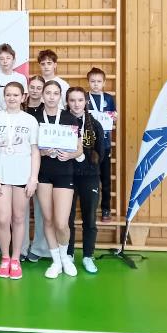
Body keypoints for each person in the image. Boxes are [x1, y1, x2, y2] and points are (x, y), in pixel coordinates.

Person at [0, 82, 39, 280]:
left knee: (19, 218)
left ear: (23, 97)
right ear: (3, 97)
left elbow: (35, 151)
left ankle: (16, 258)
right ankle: (5, 257)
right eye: (8, 95)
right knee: (3, 219)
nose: (12, 98)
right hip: (1, 177)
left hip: (23, 177)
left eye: (15, 95)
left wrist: (33, 178)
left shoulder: (30, 120)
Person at [35, 80, 82, 279]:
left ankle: (65, 258)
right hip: (43, 173)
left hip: (64, 172)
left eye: (55, 93)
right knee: (47, 219)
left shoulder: (70, 118)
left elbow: (79, 148)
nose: (51, 97)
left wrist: (70, 155)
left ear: (60, 96)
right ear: (43, 95)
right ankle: (55, 261)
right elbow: (31, 147)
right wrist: (42, 151)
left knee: (61, 223)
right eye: (48, 93)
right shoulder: (35, 117)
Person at [66, 87, 105, 274]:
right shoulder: (62, 122)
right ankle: (69, 254)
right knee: (67, 218)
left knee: (89, 217)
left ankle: (88, 255)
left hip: (90, 176)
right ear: (67, 102)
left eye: (80, 100)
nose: (76, 104)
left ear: (86, 102)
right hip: (67, 176)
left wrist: (84, 157)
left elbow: (101, 153)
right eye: (72, 100)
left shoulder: (94, 125)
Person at [22, 75, 51, 262]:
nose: (34, 90)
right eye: (32, 87)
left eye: (39, 88)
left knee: (41, 209)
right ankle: (22, 248)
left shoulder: (47, 111)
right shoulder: (19, 108)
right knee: (21, 210)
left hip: (42, 166)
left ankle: (40, 248)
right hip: (20, 164)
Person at [86, 67, 117, 222]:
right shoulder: (84, 97)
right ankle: (90, 210)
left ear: (104, 82)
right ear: (88, 82)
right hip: (89, 145)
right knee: (89, 179)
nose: (96, 84)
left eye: (99, 81)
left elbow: (113, 117)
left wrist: (114, 117)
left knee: (105, 179)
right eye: (93, 81)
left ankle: (106, 209)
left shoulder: (109, 99)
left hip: (104, 144)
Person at [0, 43, 28, 110]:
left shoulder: (21, 78)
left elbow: (23, 99)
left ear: (13, 60)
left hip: (16, 112)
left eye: (8, 58)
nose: (5, 61)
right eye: (1, 59)